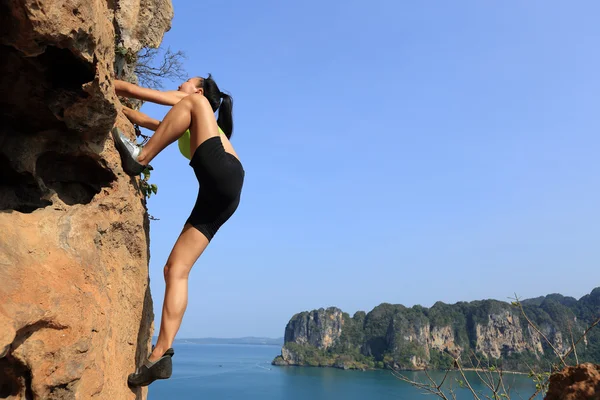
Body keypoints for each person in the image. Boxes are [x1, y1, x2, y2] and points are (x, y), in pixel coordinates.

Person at [111, 75, 245, 387]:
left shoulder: (196, 106)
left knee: (188, 107)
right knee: (175, 270)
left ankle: (140, 157)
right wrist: (126, 114)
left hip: (222, 174)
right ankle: (160, 353)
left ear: (198, 90)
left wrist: (113, 84)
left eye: (184, 83)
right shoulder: (190, 122)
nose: (179, 87)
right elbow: (158, 123)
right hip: (225, 193)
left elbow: (140, 91)